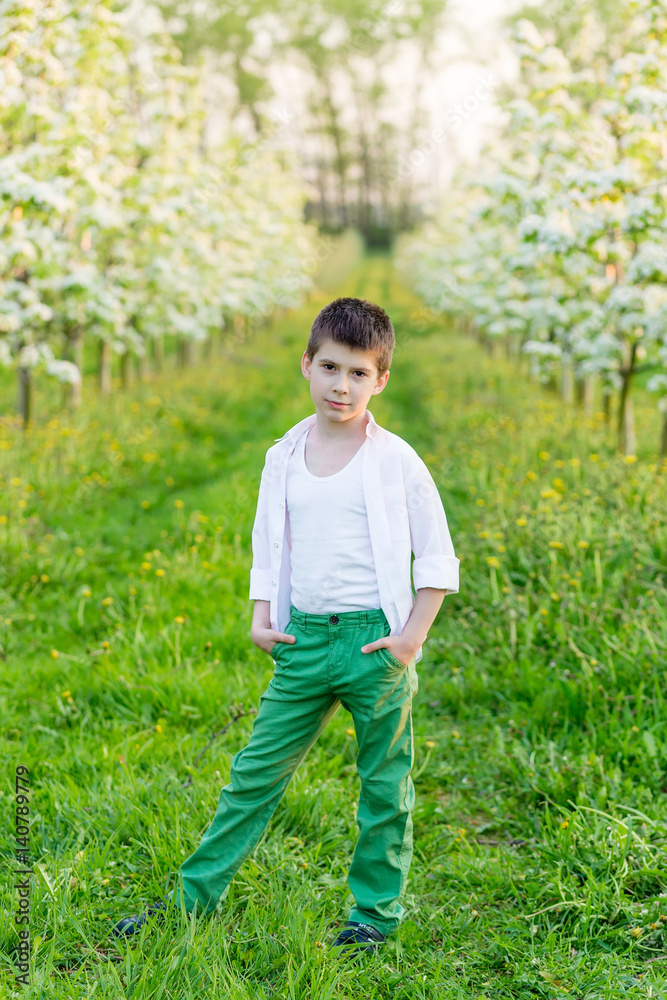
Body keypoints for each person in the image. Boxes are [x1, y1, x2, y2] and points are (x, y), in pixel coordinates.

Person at [112, 296, 460, 957]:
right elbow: (268, 540)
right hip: (302, 641)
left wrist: (412, 635)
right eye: (329, 367)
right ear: (306, 364)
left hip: (373, 644)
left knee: (383, 782)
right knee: (253, 775)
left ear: (380, 379)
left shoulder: (395, 460)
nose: (341, 385)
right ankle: (191, 901)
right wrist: (260, 616)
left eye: (359, 373)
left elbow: (436, 552)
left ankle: (373, 915)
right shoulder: (284, 454)